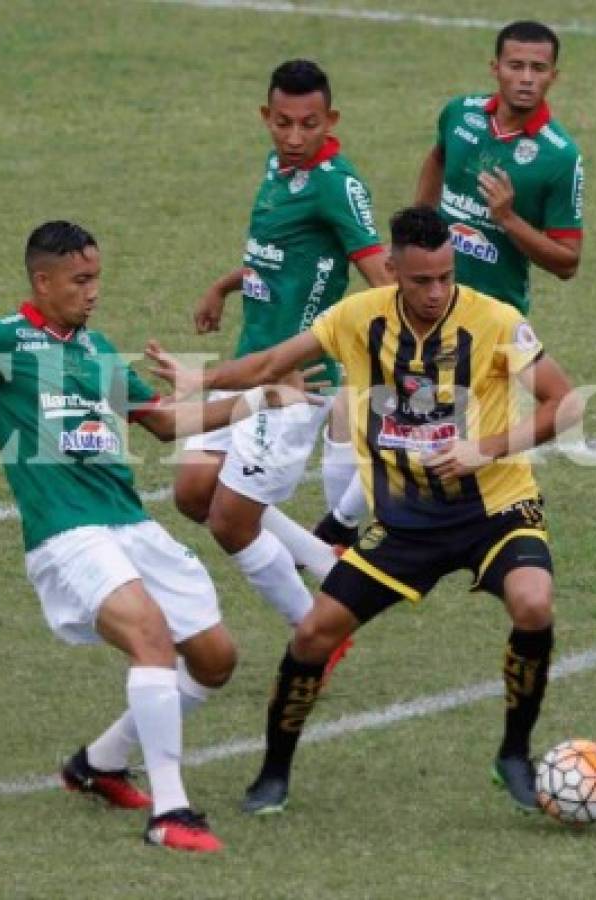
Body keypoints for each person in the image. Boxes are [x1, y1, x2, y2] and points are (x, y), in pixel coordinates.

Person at [0, 221, 321, 853]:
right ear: (43, 281)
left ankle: (100, 764)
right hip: (66, 533)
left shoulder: (96, 350)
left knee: (216, 660)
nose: (93, 292)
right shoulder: (4, 339)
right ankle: (172, 814)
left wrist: (265, 398)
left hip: (130, 524)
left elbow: (163, 424)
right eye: (80, 281)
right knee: (151, 638)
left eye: (97, 278)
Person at [147, 206, 586, 815]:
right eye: (421, 280)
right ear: (393, 272)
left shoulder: (496, 322)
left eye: (445, 277)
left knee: (534, 602)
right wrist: (204, 379)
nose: (436, 293)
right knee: (312, 633)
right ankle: (273, 772)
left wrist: (482, 449)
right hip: (405, 522)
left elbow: (564, 404)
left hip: (496, 506)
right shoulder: (358, 318)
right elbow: (275, 364)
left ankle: (514, 752)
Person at [315, 19, 585, 543]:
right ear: (496, 68)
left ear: (554, 76)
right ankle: (346, 530)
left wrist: (508, 220)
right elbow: (438, 156)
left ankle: (346, 529)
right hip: (421, 296)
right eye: (515, 65)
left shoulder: (559, 156)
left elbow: (568, 261)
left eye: (538, 68)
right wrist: (420, 225)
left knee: (416, 424)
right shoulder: (459, 115)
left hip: (483, 320)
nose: (525, 77)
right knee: (359, 409)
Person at [174, 59, 392, 650]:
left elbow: (382, 282)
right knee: (193, 492)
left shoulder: (335, 185)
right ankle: (330, 562)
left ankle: (317, 633)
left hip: (297, 380)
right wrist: (224, 286)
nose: (295, 138)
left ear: (332, 121)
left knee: (229, 521)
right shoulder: (278, 168)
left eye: (309, 125)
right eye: (284, 123)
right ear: (266, 118)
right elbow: (276, 257)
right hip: (251, 361)